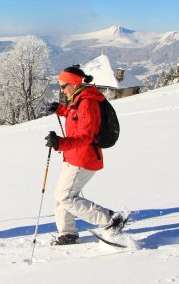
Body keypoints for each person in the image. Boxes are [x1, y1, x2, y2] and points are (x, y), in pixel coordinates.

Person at [44, 65, 128, 245]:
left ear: (74, 83)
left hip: (83, 158)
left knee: (66, 197)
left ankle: (111, 220)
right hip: (73, 156)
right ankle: (67, 233)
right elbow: (75, 116)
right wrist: (60, 109)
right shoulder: (80, 98)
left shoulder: (88, 102)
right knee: (61, 196)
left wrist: (60, 143)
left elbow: (85, 136)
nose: (61, 89)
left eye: (63, 85)